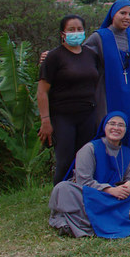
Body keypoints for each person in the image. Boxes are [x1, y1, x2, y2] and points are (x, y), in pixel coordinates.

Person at [48, 111, 130, 239]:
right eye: (112, 124)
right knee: (62, 188)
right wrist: (109, 190)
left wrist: (129, 185)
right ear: (104, 126)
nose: (116, 128)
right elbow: (83, 181)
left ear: (126, 130)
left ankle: (82, 219)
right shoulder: (89, 149)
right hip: (91, 193)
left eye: (121, 125)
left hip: (114, 196)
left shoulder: (129, 153)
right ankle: (118, 216)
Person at [38, 14, 102, 185]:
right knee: (65, 161)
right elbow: (42, 91)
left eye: (79, 29)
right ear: (62, 34)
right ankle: (59, 200)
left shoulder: (91, 55)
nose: (76, 32)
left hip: (87, 114)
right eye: (71, 30)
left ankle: (83, 196)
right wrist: (45, 120)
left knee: (85, 160)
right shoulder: (54, 57)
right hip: (62, 116)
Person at [84, 0, 130, 137]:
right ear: (113, 14)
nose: (127, 17)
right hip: (108, 91)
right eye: (123, 13)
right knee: (111, 130)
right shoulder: (99, 37)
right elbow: (80, 55)